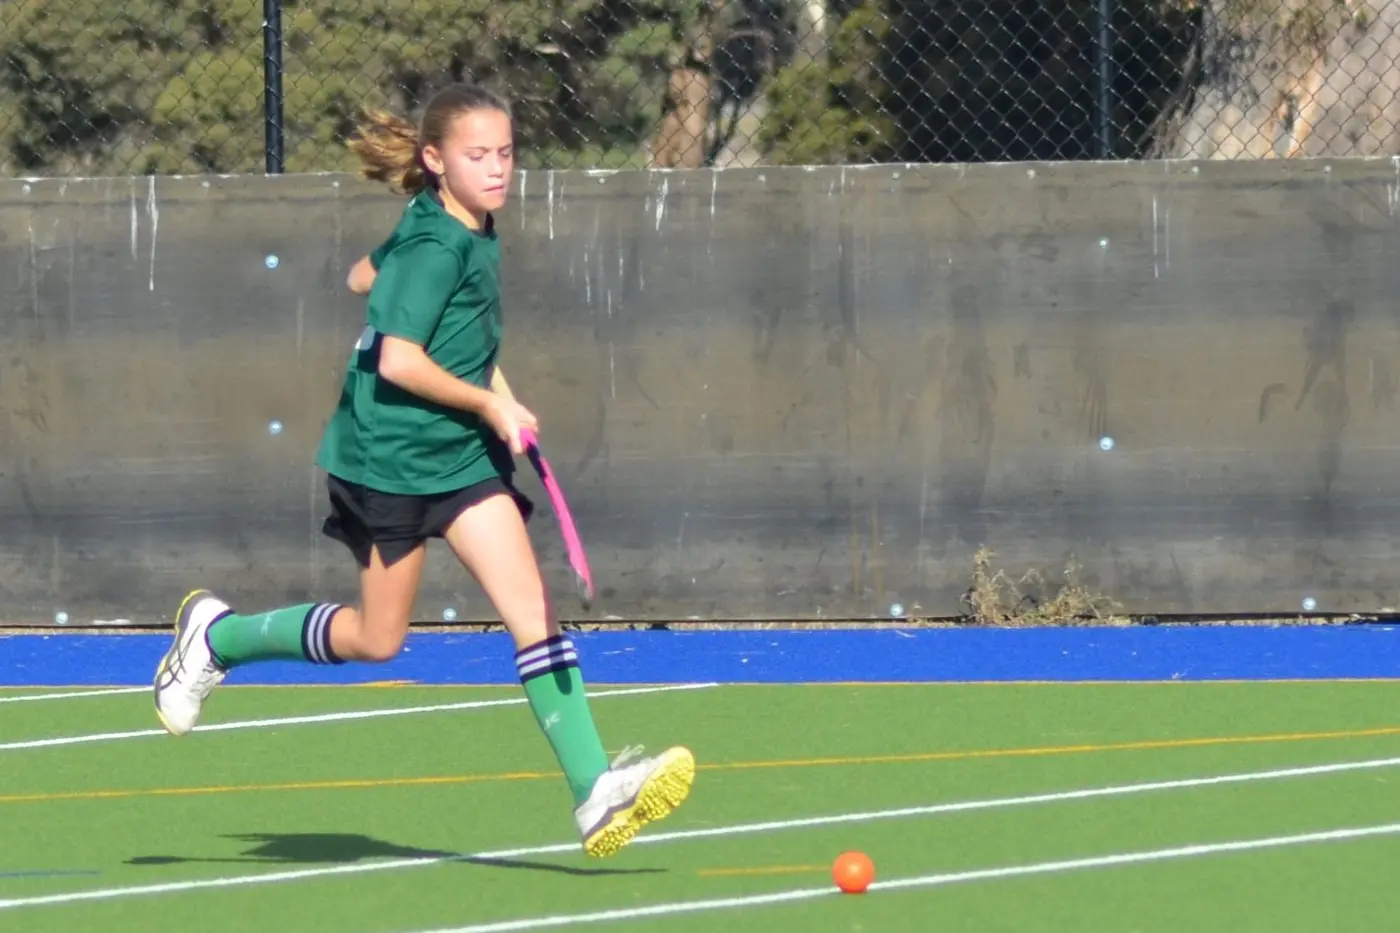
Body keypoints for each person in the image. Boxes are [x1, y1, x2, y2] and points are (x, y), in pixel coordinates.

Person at [152, 82, 695, 859]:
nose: (498, 168)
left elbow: (359, 278)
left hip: (461, 458)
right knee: (378, 640)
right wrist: (490, 400)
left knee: (532, 615)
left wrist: (488, 390)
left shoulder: (457, 223)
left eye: (506, 153)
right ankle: (220, 637)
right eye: (479, 156)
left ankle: (594, 791)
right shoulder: (440, 244)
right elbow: (403, 359)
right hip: (390, 462)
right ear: (437, 161)